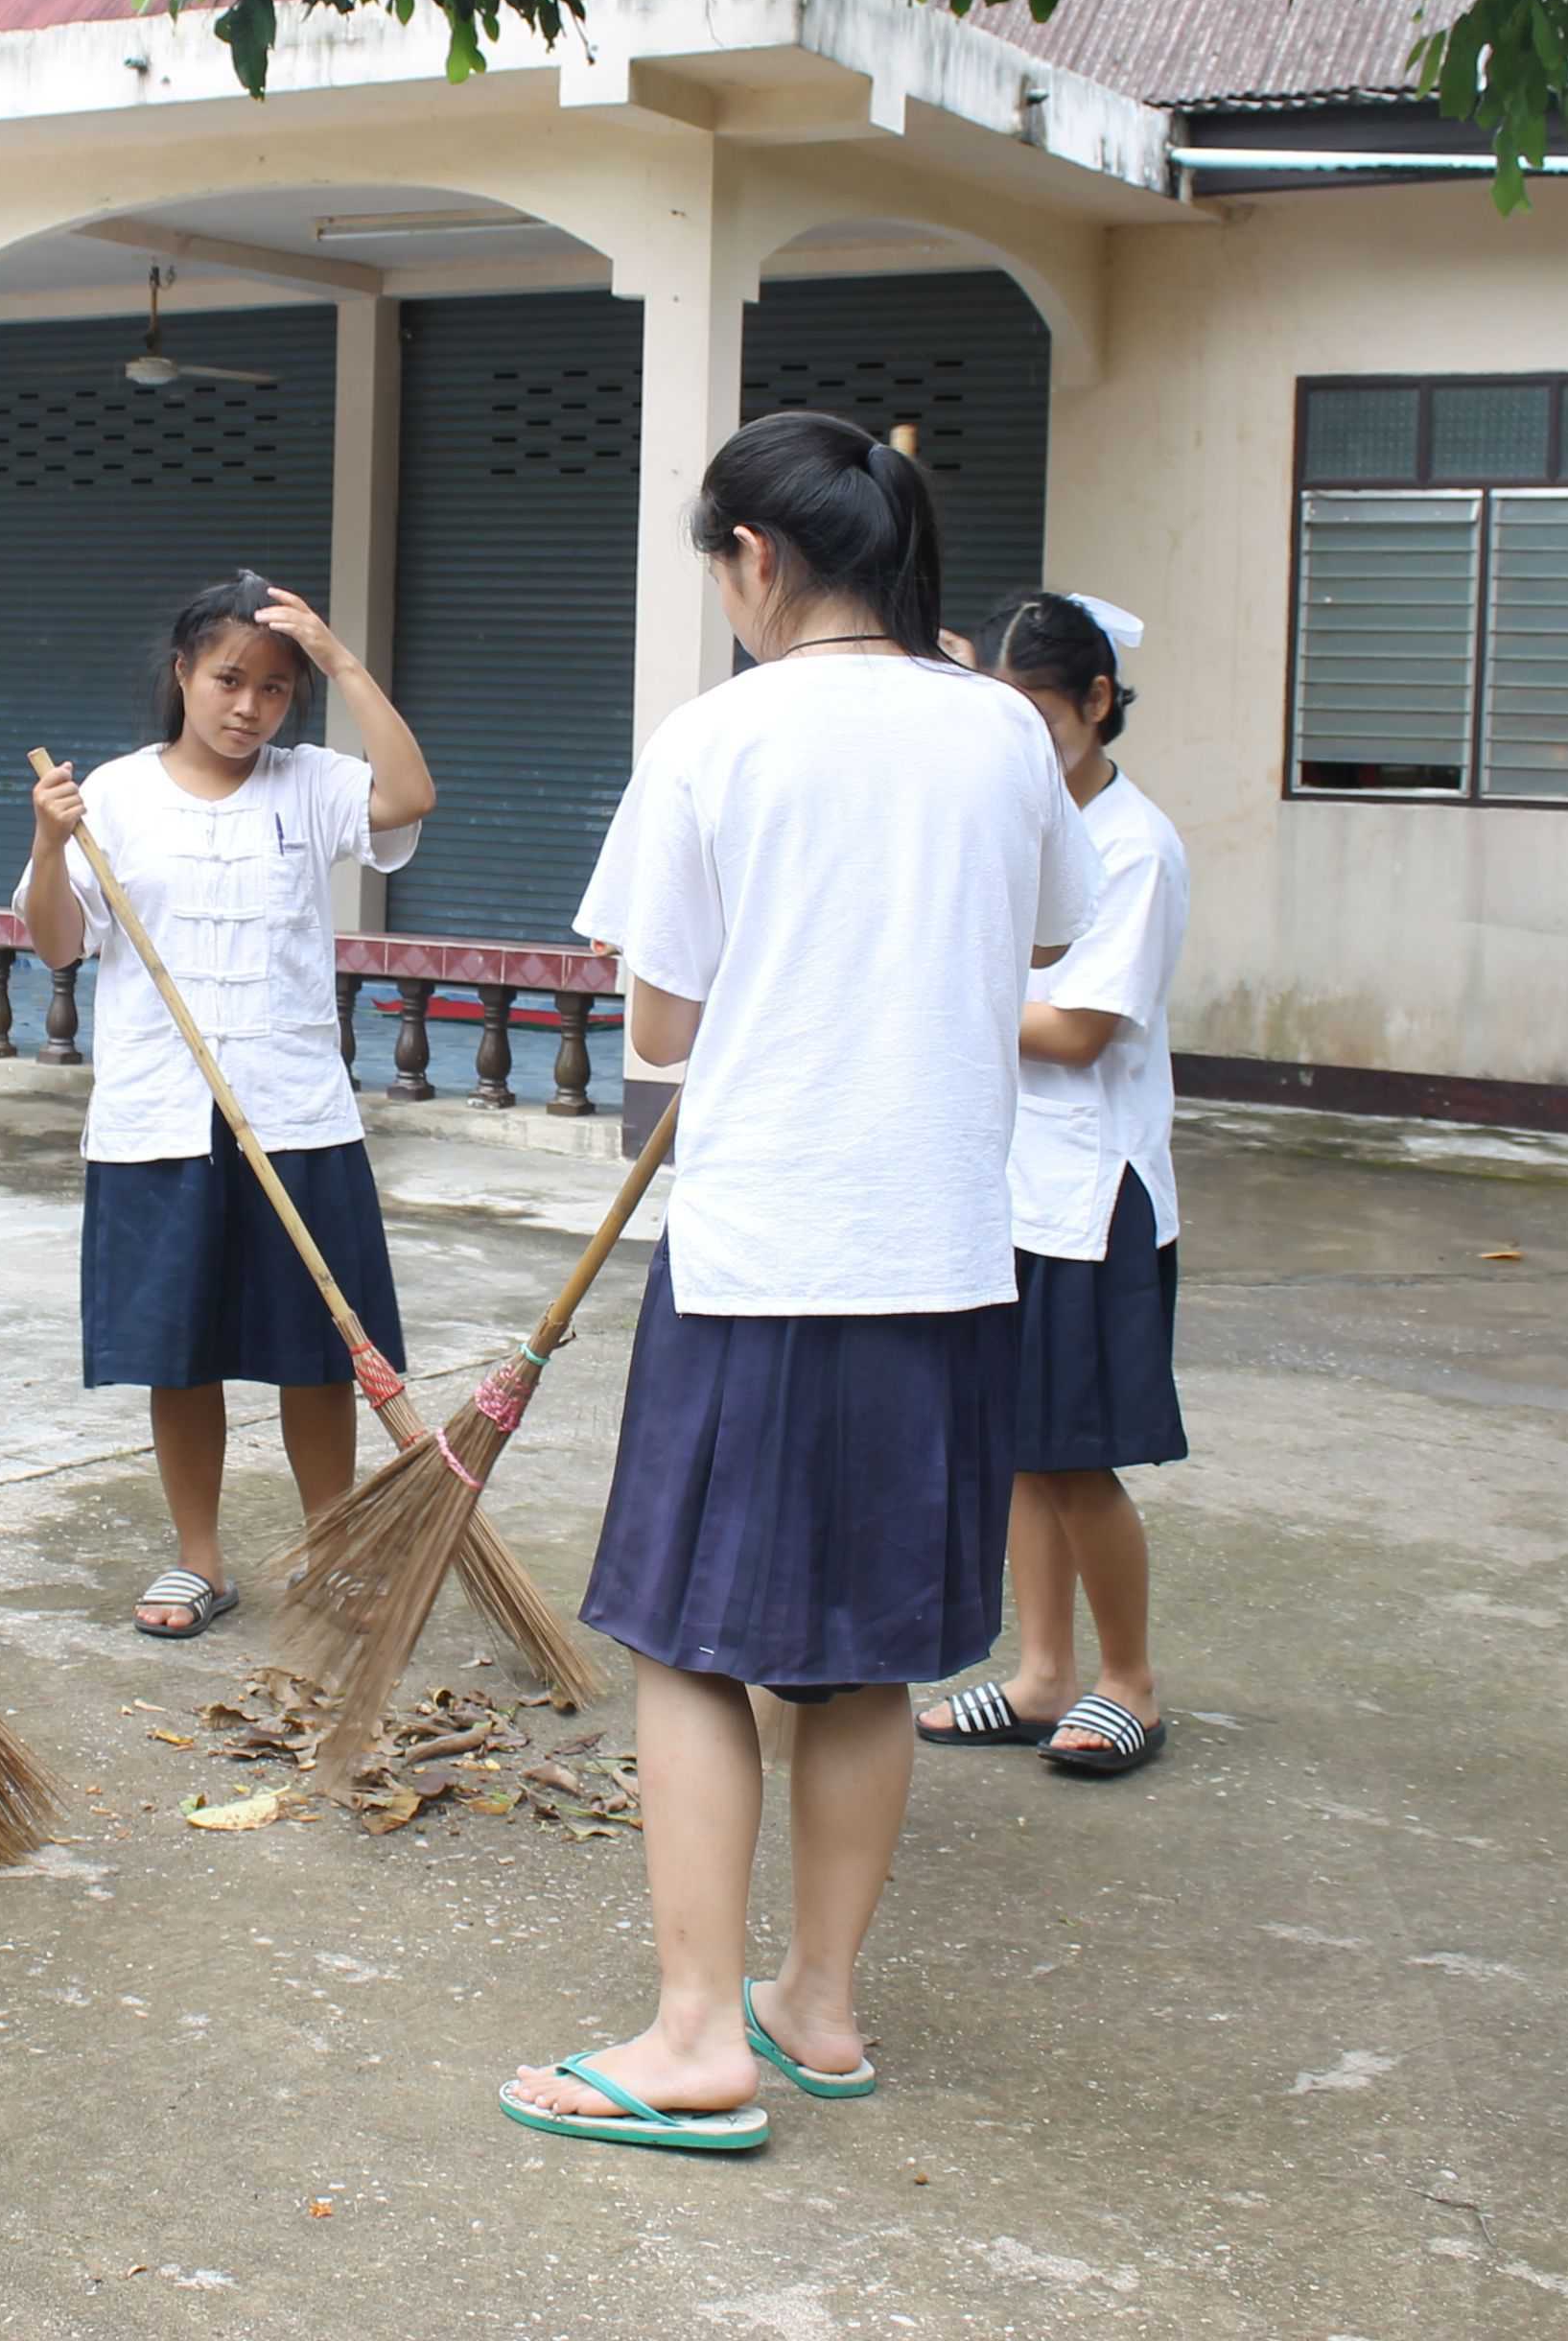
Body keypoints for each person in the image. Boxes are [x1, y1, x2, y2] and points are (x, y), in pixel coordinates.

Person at [503, 411, 1095, 2156]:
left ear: (754, 557)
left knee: (691, 1644)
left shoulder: (718, 735)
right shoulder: (1003, 728)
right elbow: (1042, 932)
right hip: (945, 1254)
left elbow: (661, 1021)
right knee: (868, 1656)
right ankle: (817, 2006)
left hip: (765, 1250)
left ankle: (696, 2034)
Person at [15, 573, 434, 1639]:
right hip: (162, 1118)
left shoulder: (311, 783)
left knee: (320, 1349)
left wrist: (341, 659)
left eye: (275, 689)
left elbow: (408, 798)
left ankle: (333, 1554)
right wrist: (51, 842)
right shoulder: (113, 795)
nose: (249, 707)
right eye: (228, 680)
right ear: (184, 673)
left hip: (294, 1111)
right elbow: (58, 942)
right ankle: (198, 1561)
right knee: (181, 1351)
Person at [920, 592, 1191, 1777]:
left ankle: (1129, 1683)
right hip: (1009, 1183)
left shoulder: (1137, 845)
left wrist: (931, 985)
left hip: (1093, 1196)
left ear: (1097, 700)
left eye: (1041, 714)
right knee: (1021, 1448)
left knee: (1077, 1457)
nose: (1024, 742)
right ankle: (1041, 1676)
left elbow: (1079, 1030)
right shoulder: (1018, 826)